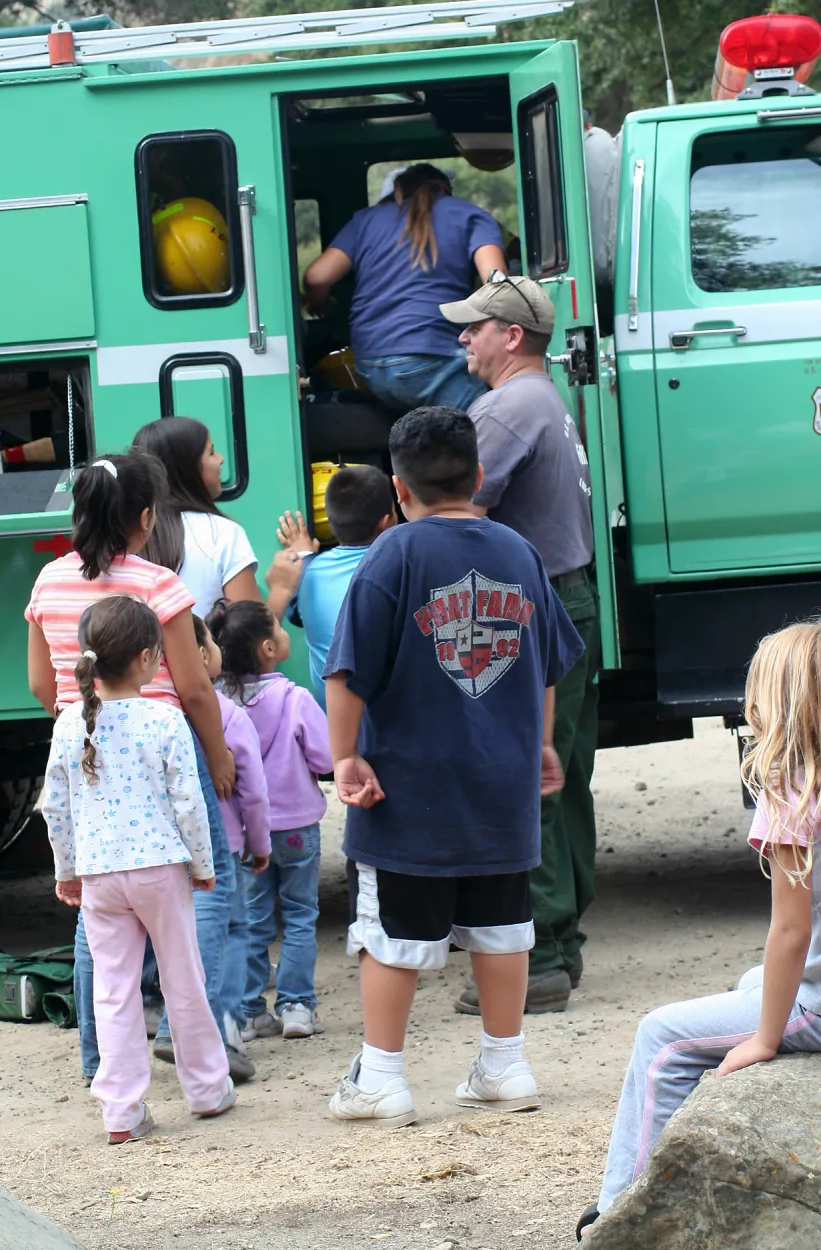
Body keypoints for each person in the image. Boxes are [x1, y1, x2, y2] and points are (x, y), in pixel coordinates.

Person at [323, 407, 583, 1126]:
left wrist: (344, 756)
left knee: (391, 936)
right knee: (503, 928)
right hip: (499, 780)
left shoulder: (391, 556)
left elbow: (346, 673)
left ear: (397, 492)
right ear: (477, 476)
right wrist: (538, 742)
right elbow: (544, 663)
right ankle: (505, 1065)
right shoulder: (518, 552)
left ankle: (380, 1078)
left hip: (405, 787)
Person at [578, 622, 821, 1242]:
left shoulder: (793, 784)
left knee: (660, 1037)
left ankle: (615, 1214)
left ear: (780, 704)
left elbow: (792, 931)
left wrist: (766, 1038)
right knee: (751, 979)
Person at [25, 451, 236, 1086]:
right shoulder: (155, 583)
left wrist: (82, 720)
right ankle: (192, 1036)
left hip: (85, 748)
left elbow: (42, 683)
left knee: (99, 907)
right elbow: (195, 688)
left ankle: (99, 1060)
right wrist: (220, 756)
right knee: (204, 885)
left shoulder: (48, 582)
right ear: (146, 517)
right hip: (158, 748)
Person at [441, 277, 600, 1016]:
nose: (463, 339)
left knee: (528, 776)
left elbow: (458, 508)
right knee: (562, 775)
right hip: (569, 597)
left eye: (474, 328)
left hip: (530, 610)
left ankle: (534, 956)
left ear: (511, 335)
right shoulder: (545, 398)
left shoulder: (505, 409)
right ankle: (560, 945)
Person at [41, 595, 233, 1143]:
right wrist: (202, 863)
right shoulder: (165, 719)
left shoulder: (68, 724)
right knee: (183, 978)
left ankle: (122, 1112)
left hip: (100, 875)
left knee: (113, 988)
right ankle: (206, 1089)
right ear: (151, 657)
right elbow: (187, 803)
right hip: (159, 869)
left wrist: (67, 870)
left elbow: (56, 806)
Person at [209, 601, 333, 1041]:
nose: (285, 633)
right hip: (298, 827)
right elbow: (324, 756)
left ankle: (248, 1010)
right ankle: (297, 1006)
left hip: (246, 832)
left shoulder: (219, 706)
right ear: (267, 648)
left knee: (253, 918)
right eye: (280, 628)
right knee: (300, 914)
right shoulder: (295, 698)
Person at [159, 613, 272, 1081]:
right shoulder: (231, 717)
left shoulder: (162, 720)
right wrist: (260, 842)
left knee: (179, 939)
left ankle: (179, 1024)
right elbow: (253, 791)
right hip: (223, 849)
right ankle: (220, 1027)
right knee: (232, 931)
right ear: (202, 655)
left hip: (170, 850)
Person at [303, 164, 507, 412]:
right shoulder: (470, 215)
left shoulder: (365, 220)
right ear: (444, 188)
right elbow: (497, 285)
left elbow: (316, 278)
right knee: (486, 429)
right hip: (435, 357)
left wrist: (320, 303)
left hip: (372, 364)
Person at [132, 416, 314, 619]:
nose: (221, 459)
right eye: (211, 452)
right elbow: (251, 637)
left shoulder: (130, 537)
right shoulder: (221, 533)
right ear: (188, 468)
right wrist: (282, 589)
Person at [285, 466, 397, 708]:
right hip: (394, 723)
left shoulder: (308, 574)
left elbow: (294, 612)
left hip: (335, 726)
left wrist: (304, 555)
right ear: (388, 520)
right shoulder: (402, 567)